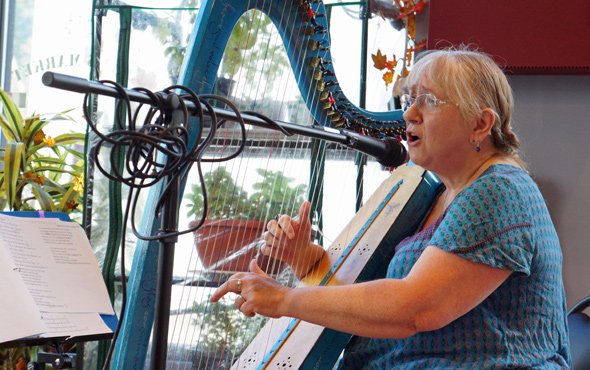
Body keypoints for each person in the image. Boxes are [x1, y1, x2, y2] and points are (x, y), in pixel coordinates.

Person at [210, 48, 571, 368]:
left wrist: (286, 299)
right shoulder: (437, 193)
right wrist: (304, 259)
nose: (409, 113)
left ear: (480, 123)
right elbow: (377, 293)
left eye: (428, 100)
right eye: (409, 100)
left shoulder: (499, 190)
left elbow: (414, 309)